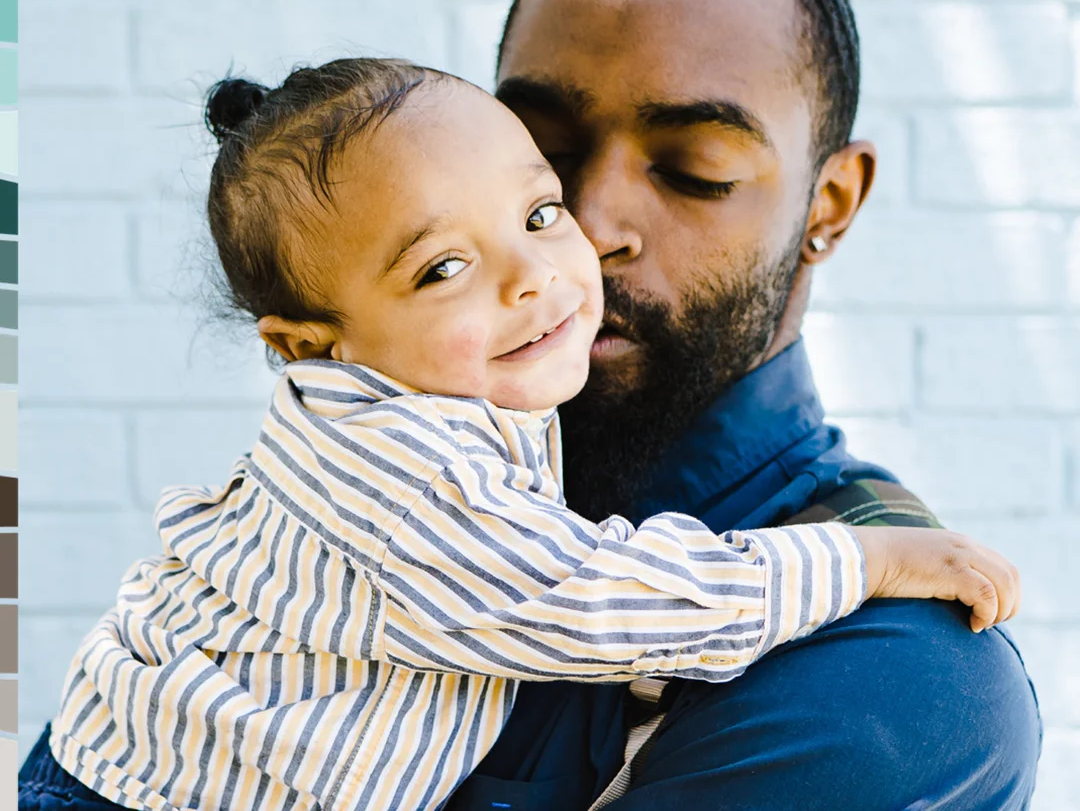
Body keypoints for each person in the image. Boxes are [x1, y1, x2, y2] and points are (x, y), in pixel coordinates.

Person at [18, 59, 1018, 811]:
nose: (537, 272)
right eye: (442, 269)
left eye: (540, 212)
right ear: (312, 346)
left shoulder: (449, 403)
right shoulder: (402, 470)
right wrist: (863, 562)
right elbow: (598, 602)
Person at [442, 0, 1043, 810]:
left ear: (829, 205)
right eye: (544, 153)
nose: (589, 223)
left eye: (696, 171)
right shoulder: (383, 495)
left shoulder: (898, 681)